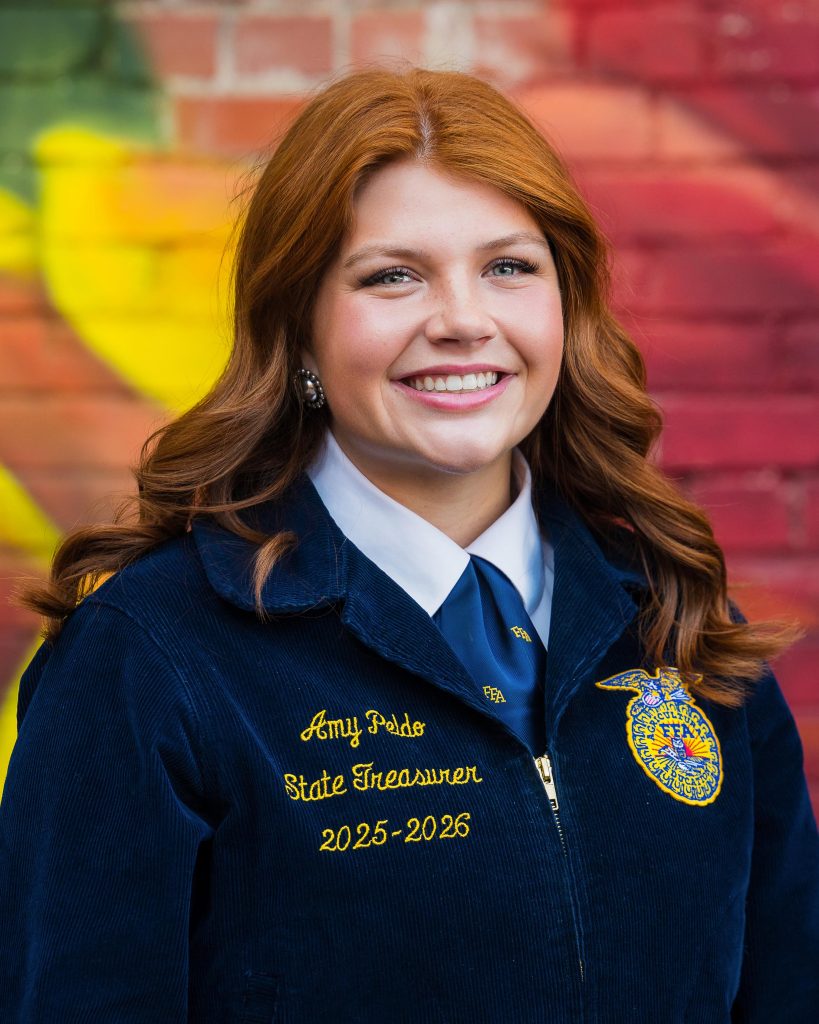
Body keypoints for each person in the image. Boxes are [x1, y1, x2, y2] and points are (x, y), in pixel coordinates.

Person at [1, 65, 817, 1023]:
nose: (463, 321)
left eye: (508, 267)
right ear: (296, 330)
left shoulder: (677, 619)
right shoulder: (146, 658)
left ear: (565, 308)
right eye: (392, 276)